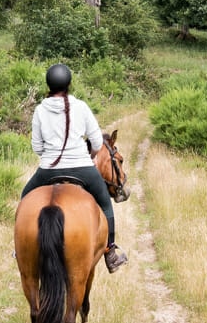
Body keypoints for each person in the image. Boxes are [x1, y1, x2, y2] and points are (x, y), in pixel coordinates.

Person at [21, 62, 128, 272]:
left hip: (48, 169)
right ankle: (111, 253)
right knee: (106, 203)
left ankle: (21, 248)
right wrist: (87, 156)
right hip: (82, 168)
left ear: (48, 85)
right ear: (69, 84)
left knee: (25, 197)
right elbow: (97, 143)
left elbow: (36, 147)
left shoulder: (40, 110)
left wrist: (51, 157)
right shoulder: (81, 107)